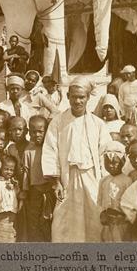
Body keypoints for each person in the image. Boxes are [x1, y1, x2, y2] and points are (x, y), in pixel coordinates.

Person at [42, 77, 113, 242]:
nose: (78, 101)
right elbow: (51, 150)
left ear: (88, 97)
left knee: (95, 214)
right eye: (74, 96)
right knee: (64, 219)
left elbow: (106, 153)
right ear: (68, 96)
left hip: (92, 177)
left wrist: (105, 182)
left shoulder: (98, 124)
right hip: (68, 177)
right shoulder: (58, 122)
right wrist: (56, 182)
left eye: (82, 97)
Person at [21, 116, 52, 242]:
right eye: (34, 132)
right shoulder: (28, 151)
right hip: (35, 191)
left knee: (49, 220)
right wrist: (25, 190)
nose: (37, 134)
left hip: (50, 190)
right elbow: (26, 173)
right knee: (34, 222)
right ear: (29, 132)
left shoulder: (50, 148)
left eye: (40, 131)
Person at [98, 140, 133, 242]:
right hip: (107, 222)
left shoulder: (127, 180)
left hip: (121, 222)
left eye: (115, 163)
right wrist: (102, 214)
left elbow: (131, 204)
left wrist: (124, 217)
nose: (111, 165)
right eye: (107, 162)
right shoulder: (103, 181)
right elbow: (100, 202)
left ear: (122, 163)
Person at [116, 65, 137, 129]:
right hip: (128, 112)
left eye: (128, 74)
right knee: (131, 128)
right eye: (125, 74)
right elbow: (120, 100)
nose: (126, 76)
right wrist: (123, 114)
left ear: (133, 73)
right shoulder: (122, 86)